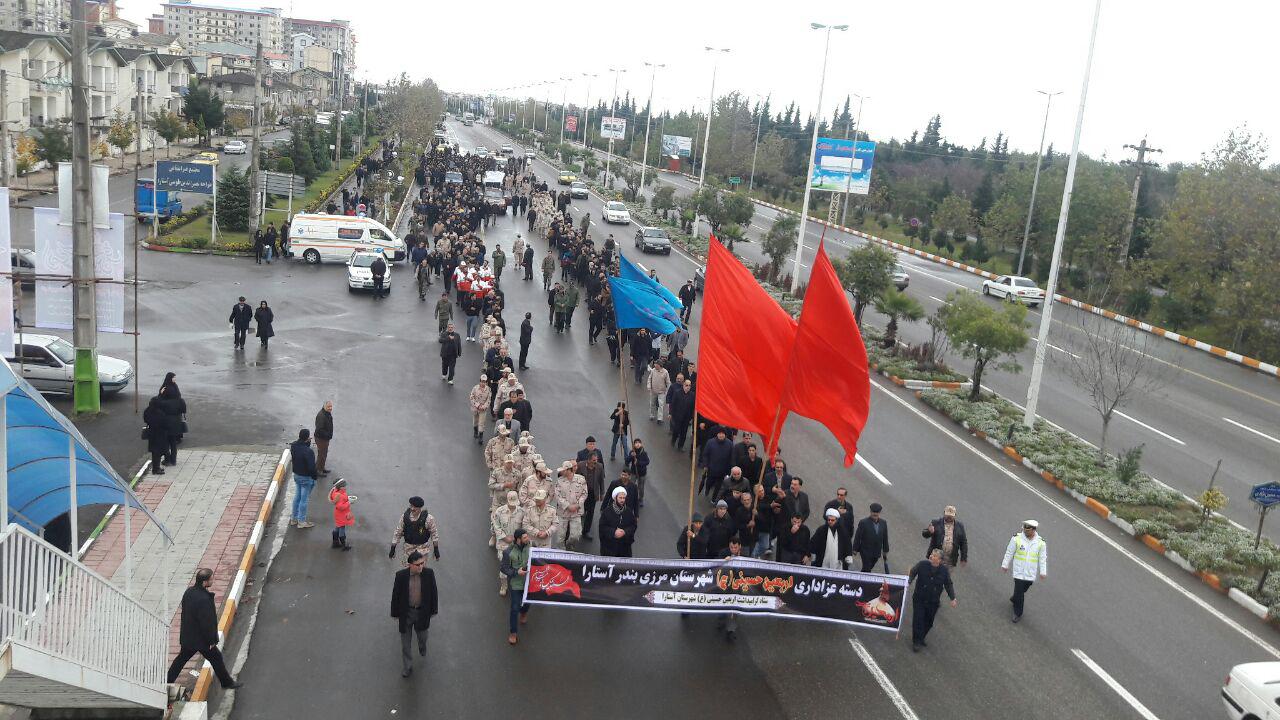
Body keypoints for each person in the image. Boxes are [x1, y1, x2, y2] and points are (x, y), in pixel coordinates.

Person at [166, 568, 242, 689]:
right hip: (201, 640)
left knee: (181, 659)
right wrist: (211, 641)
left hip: (188, 637)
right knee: (216, 658)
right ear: (205, 582)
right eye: (211, 579)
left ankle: (167, 680)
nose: (213, 580)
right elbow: (207, 623)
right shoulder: (204, 599)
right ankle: (227, 683)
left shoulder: (188, 592)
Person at [390, 550, 439, 677]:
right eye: (418, 564)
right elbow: (396, 595)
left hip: (422, 613)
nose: (421, 566)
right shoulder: (401, 576)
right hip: (406, 613)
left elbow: (434, 593)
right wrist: (395, 613)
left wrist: (433, 610)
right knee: (405, 645)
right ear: (410, 565)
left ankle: (422, 648)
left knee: (423, 637)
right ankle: (408, 667)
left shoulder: (429, 574)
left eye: (422, 563)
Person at [908, 549, 957, 651]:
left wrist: (952, 598)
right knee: (918, 620)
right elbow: (912, 572)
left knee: (929, 622)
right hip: (919, 598)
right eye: (931, 555)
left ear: (939, 560)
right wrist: (908, 582)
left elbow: (948, 584)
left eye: (934, 556)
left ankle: (921, 637)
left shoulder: (944, 571)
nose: (931, 557)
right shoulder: (922, 565)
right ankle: (916, 641)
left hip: (933, 601)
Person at [1001, 520, 1047, 623]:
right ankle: (1018, 613)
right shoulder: (1016, 538)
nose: (1025, 532)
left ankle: (1015, 597)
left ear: (1033, 530)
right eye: (1024, 529)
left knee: (1022, 590)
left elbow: (1042, 558)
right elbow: (1009, 552)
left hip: (1030, 573)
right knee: (1020, 592)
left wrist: (1043, 571)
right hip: (1019, 571)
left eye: (1028, 530)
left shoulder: (1040, 543)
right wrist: (1005, 564)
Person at [501, 528, 532, 645]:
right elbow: (503, 568)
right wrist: (516, 572)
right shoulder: (508, 552)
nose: (527, 539)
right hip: (515, 584)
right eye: (524, 537)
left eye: (527, 537)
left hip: (529, 583)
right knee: (514, 608)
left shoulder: (531, 548)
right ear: (518, 539)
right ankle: (513, 632)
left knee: (527, 603)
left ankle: (524, 612)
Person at [390, 496, 441, 563]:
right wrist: (393, 549)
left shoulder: (428, 518)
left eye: (415, 507)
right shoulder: (405, 517)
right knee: (408, 571)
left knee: (420, 569)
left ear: (420, 508)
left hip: (422, 549)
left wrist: (436, 549)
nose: (412, 508)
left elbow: (434, 534)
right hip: (408, 549)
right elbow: (398, 533)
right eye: (411, 506)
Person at [491, 491, 525, 595]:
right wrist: (504, 537)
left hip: (516, 545)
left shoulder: (522, 512)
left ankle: (518, 585)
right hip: (503, 544)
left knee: (518, 566)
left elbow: (524, 528)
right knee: (504, 568)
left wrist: (518, 539)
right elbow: (496, 526)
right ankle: (504, 586)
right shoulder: (499, 512)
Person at [717, 535, 746, 641]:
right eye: (731, 547)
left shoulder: (744, 556)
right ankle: (721, 620)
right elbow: (716, 567)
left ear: (740, 547)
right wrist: (723, 562)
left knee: (734, 609)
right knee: (722, 604)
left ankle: (731, 630)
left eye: (735, 547)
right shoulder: (723, 553)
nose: (733, 550)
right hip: (725, 586)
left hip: (737, 586)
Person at [554, 462, 588, 549]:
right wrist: (568, 506)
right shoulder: (560, 481)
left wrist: (577, 505)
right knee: (560, 538)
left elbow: (584, 494)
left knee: (576, 536)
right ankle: (561, 551)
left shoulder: (581, 479)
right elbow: (557, 496)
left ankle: (569, 544)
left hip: (576, 512)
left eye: (564, 470)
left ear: (569, 470)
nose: (562, 472)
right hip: (563, 512)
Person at [289, 429, 317, 528]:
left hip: (297, 475)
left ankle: (294, 518)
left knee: (297, 497)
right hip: (306, 477)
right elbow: (311, 467)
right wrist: (314, 477)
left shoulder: (294, 446)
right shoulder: (308, 451)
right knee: (304, 499)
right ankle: (302, 521)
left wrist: (306, 443)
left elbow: (297, 454)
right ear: (306, 438)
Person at [598, 486, 637, 557]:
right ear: (615, 498)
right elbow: (602, 527)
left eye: (624, 498)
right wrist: (613, 532)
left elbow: (633, 526)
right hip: (609, 549)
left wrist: (625, 532)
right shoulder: (607, 512)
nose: (622, 500)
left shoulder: (628, 512)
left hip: (625, 549)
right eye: (620, 498)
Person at [852, 503, 890, 573]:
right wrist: (855, 549)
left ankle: (860, 577)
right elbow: (858, 536)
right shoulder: (863, 522)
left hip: (876, 551)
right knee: (867, 568)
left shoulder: (883, 523)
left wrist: (885, 550)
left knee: (868, 568)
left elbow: (885, 537)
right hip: (865, 550)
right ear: (870, 511)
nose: (875, 514)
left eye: (877, 512)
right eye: (873, 512)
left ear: (879, 513)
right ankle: (864, 582)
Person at [576, 451, 604, 541]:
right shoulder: (580, 465)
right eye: (593, 460)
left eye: (596, 460)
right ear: (588, 460)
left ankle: (586, 531)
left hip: (593, 494)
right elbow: (575, 477)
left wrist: (602, 493)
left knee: (590, 513)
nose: (595, 462)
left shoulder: (600, 466)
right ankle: (576, 530)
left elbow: (601, 480)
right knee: (579, 512)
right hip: (581, 494)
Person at [699, 428, 734, 498]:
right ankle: (707, 489)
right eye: (719, 433)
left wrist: (729, 470)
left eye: (723, 434)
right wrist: (705, 465)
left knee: (718, 486)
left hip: (722, 470)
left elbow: (731, 457)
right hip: (711, 469)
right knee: (709, 482)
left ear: (725, 435)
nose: (721, 435)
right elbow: (705, 454)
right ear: (717, 434)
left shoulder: (730, 444)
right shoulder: (710, 442)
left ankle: (714, 498)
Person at [143, 396, 171, 475]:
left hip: (151, 434)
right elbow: (166, 424)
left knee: (154, 452)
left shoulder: (147, 411)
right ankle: (156, 469)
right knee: (158, 452)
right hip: (160, 434)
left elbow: (145, 419)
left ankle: (156, 468)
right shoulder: (160, 413)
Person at [328, 477, 355, 550]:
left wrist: (347, 498)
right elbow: (340, 506)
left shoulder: (336, 492)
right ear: (340, 487)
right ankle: (344, 544)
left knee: (337, 527)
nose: (345, 487)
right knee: (342, 528)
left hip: (338, 514)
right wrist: (349, 502)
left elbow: (341, 500)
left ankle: (335, 542)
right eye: (344, 486)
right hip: (342, 514)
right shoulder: (339, 495)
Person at [625, 438, 650, 508]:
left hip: (642, 473)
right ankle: (630, 498)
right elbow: (626, 461)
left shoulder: (644, 453)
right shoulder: (632, 452)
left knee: (641, 487)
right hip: (634, 472)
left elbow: (647, 462)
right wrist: (631, 456)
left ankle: (641, 499)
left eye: (639, 442)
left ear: (641, 444)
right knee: (631, 485)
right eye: (636, 443)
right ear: (634, 445)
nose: (637, 444)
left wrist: (638, 463)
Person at [469, 374, 492, 443]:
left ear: (486, 382)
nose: (483, 383)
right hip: (475, 408)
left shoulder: (488, 389)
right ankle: (475, 431)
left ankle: (480, 436)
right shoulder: (475, 388)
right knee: (475, 421)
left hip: (483, 409)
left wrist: (484, 406)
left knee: (481, 423)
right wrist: (477, 405)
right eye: (482, 381)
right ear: (480, 381)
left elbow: (489, 399)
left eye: (484, 381)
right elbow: (471, 397)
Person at [314, 401, 334, 476]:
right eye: (328, 407)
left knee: (323, 454)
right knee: (322, 454)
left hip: (325, 438)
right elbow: (319, 429)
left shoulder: (327, 413)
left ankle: (321, 468)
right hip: (321, 438)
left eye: (331, 406)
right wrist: (328, 435)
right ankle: (319, 470)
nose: (330, 408)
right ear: (324, 406)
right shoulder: (321, 416)